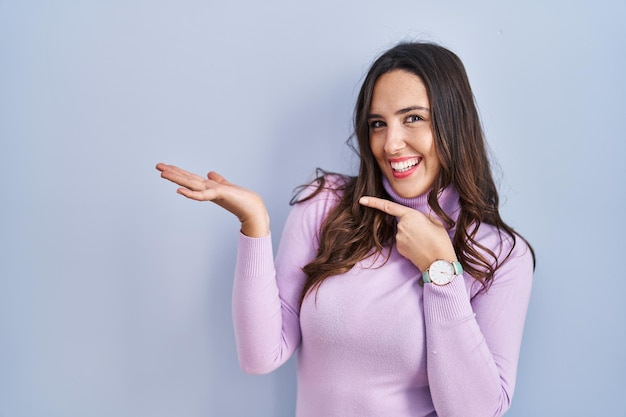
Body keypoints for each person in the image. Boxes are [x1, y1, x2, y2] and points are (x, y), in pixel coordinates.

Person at [156, 41, 534, 417]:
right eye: (377, 124)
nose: (391, 143)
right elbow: (261, 356)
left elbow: (475, 411)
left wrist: (440, 272)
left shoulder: (501, 255)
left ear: (454, 122)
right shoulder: (326, 204)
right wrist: (254, 224)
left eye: (413, 118)